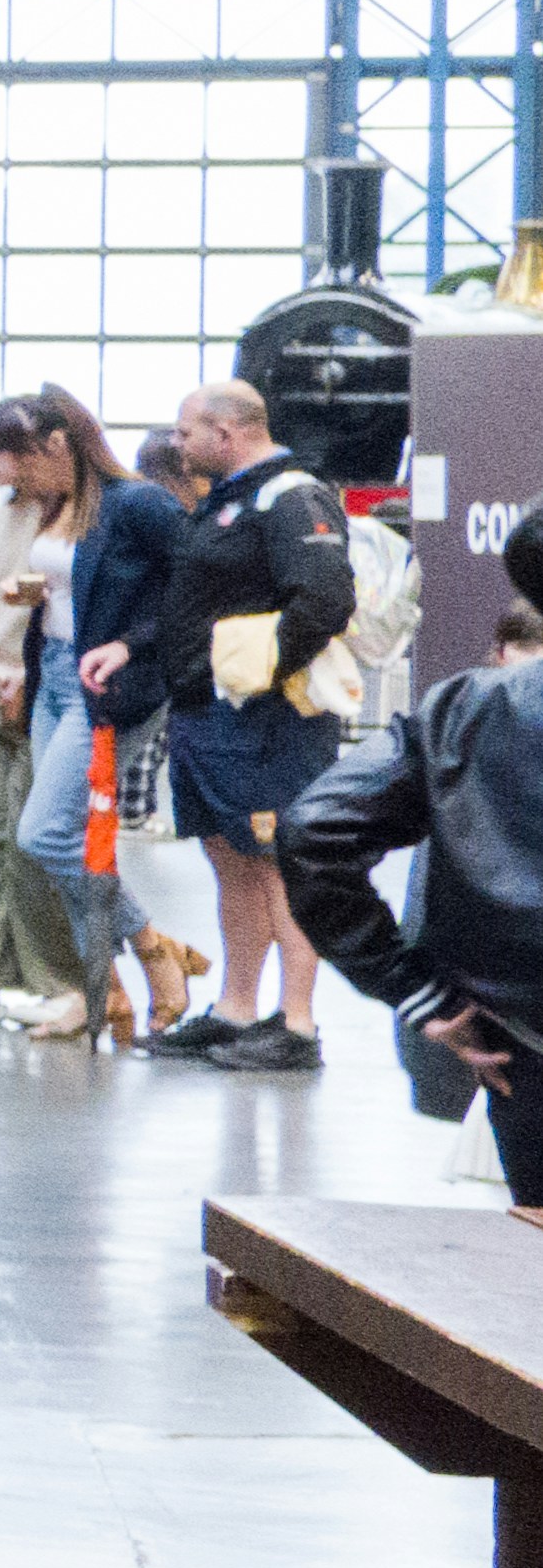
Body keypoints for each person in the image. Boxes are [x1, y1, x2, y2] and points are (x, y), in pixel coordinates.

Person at [94, 376, 363, 1067]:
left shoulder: (291, 496)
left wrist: (257, 673)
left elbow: (326, 599)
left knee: (281, 867)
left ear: (227, 432)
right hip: (205, 716)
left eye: (186, 432)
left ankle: (296, 1025)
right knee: (231, 862)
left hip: (267, 722)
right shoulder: (222, 501)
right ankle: (236, 1010)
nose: (177, 444)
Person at [285, 513, 543, 1206]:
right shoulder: (466, 710)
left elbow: (314, 831)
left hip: (521, 1042)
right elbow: (315, 832)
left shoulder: (465, 709)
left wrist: (417, 991)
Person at [0, 392, 135, 1042]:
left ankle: (66, 981)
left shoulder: (85, 514)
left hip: (48, 685)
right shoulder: (7, 517)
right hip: (0, 683)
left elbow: (54, 605)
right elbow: (2, 599)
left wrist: (22, 671)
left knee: (40, 839)